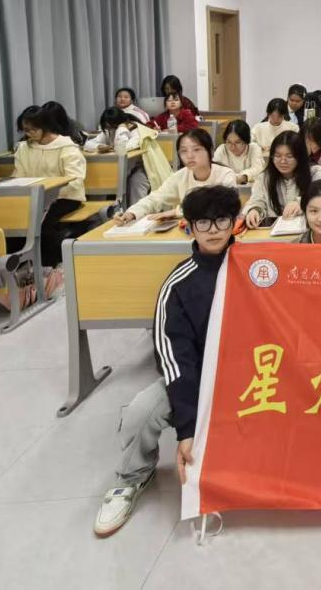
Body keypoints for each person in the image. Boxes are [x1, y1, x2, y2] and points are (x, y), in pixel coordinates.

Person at [93, 184, 239, 537]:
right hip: (199, 379)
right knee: (142, 411)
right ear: (189, 227)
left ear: (235, 222)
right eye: (203, 223)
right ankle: (132, 477)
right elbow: (176, 361)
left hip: (256, 376)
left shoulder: (257, 267)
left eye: (222, 220)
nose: (214, 230)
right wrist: (187, 429)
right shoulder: (178, 284)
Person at [12, 104, 86, 282]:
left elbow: (75, 179)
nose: (29, 134)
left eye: (33, 129)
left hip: (65, 197)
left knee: (43, 223)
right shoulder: (24, 148)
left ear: (45, 126)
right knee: (14, 221)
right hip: (34, 197)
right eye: (26, 130)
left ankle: (48, 269)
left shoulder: (67, 147)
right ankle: (19, 267)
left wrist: (49, 191)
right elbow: (19, 175)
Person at [114, 128, 234, 225]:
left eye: (196, 149)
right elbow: (155, 198)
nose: (189, 156)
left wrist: (177, 212)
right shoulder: (180, 176)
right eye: (184, 151)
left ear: (210, 151)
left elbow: (220, 207)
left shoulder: (225, 175)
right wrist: (131, 213)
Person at [242, 130, 321, 228]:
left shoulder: (315, 172)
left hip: (309, 230)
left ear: (300, 157)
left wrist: (302, 202)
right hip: (273, 233)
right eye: (277, 156)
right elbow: (256, 201)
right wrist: (254, 210)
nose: (283, 161)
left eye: (289, 156)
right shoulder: (264, 178)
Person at [86, 107, 169, 204]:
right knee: (98, 181)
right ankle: (104, 211)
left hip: (140, 168)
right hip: (117, 168)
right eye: (107, 127)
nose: (110, 130)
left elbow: (122, 148)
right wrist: (98, 146)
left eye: (112, 127)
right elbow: (87, 144)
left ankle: (136, 212)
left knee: (136, 183)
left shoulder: (137, 131)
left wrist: (121, 129)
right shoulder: (110, 130)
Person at [213, 119, 264, 185]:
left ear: (246, 141)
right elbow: (214, 169)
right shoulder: (222, 149)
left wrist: (244, 177)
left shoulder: (254, 148)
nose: (232, 147)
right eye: (229, 142)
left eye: (237, 142)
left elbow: (258, 169)